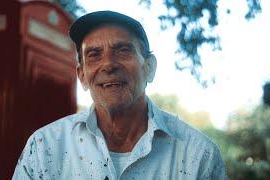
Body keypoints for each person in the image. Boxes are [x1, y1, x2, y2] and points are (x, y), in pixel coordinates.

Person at [12, 11, 227, 180]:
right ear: (82, 76)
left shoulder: (199, 155)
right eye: (94, 55)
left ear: (149, 68)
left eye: (123, 50)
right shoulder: (43, 147)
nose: (108, 64)